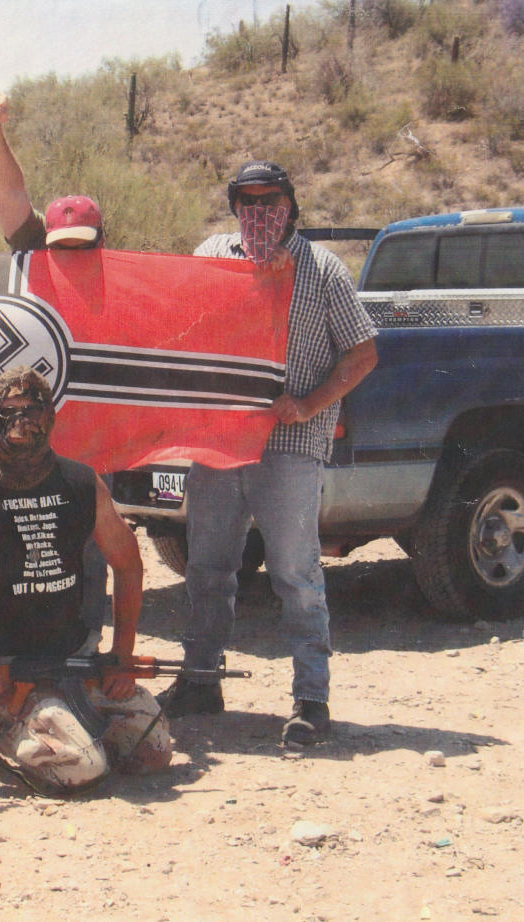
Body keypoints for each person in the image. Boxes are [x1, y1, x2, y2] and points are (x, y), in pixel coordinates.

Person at [159, 160, 379, 747]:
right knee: (208, 567)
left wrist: (309, 405)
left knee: (295, 573)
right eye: (247, 201)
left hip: (287, 445)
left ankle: (312, 698)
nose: (259, 212)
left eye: (271, 200)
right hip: (220, 442)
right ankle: (200, 678)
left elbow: (362, 354)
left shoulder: (323, 268)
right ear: (234, 206)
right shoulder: (213, 254)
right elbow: (185, 328)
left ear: (290, 205)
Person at [0, 366, 172, 793]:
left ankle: (62, 724)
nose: (22, 421)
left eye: (32, 410)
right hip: (5, 674)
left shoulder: (81, 484)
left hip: (75, 662)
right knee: (79, 768)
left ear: (51, 417)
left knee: (153, 749)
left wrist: (122, 653)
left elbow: (129, 563)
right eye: (10, 411)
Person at [0, 90, 111, 641]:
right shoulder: (31, 250)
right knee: (14, 544)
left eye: (83, 246)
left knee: (89, 547)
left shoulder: (120, 277)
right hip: (26, 439)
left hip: (91, 441)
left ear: (102, 242)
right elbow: (9, 190)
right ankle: (11, 655)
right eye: (60, 245)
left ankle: (85, 653)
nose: (70, 255)